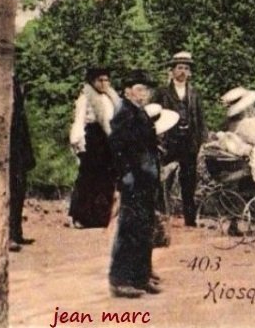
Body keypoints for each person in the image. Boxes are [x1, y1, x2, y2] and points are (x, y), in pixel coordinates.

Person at [108, 70, 175, 298]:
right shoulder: (124, 113)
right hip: (133, 181)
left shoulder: (141, 113)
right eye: (138, 89)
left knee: (145, 230)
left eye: (145, 90)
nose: (143, 94)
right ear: (127, 91)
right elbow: (117, 149)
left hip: (146, 180)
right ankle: (120, 280)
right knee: (129, 230)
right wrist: (125, 176)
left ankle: (141, 276)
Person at [153, 51, 206, 227]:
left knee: (189, 181)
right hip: (168, 142)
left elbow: (200, 118)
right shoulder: (162, 93)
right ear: (172, 70)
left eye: (186, 68)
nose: (183, 71)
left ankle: (190, 220)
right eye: (179, 68)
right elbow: (153, 115)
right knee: (163, 180)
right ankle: (159, 217)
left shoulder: (194, 93)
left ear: (190, 72)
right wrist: (158, 140)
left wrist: (200, 141)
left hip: (189, 143)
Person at [68, 66, 120, 228]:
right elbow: (79, 120)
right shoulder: (86, 98)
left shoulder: (112, 97)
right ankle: (81, 216)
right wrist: (78, 141)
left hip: (108, 138)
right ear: (92, 81)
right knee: (88, 178)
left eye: (106, 80)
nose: (104, 83)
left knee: (107, 178)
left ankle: (100, 217)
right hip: (92, 139)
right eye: (100, 80)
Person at [10, 75, 35, 251]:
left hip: (18, 148)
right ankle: (10, 235)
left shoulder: (16, 83)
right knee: (11, 191)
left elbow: (22, 123)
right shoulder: (2, 83)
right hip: (8, 148)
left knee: (19, 191)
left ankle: (16, 232)